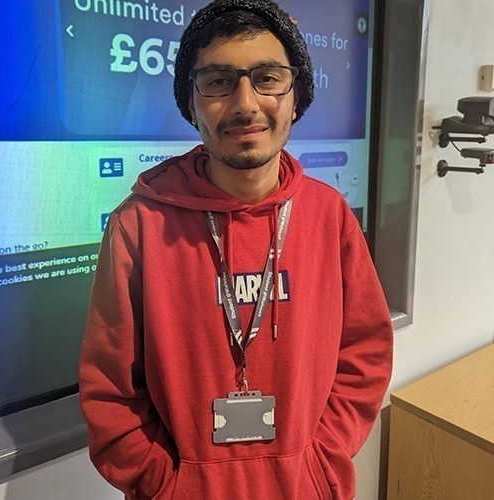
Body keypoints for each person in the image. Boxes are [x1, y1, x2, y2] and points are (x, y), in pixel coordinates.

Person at [79, 1, 393, 499]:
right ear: (192, 100)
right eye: (219, 81)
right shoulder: (138, 225)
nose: (246, 103)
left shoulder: (331, 216)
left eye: (268, 78)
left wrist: (320, 460)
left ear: (296, 97)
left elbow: (365, 354)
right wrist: (170, 483)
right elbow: (111, 390)